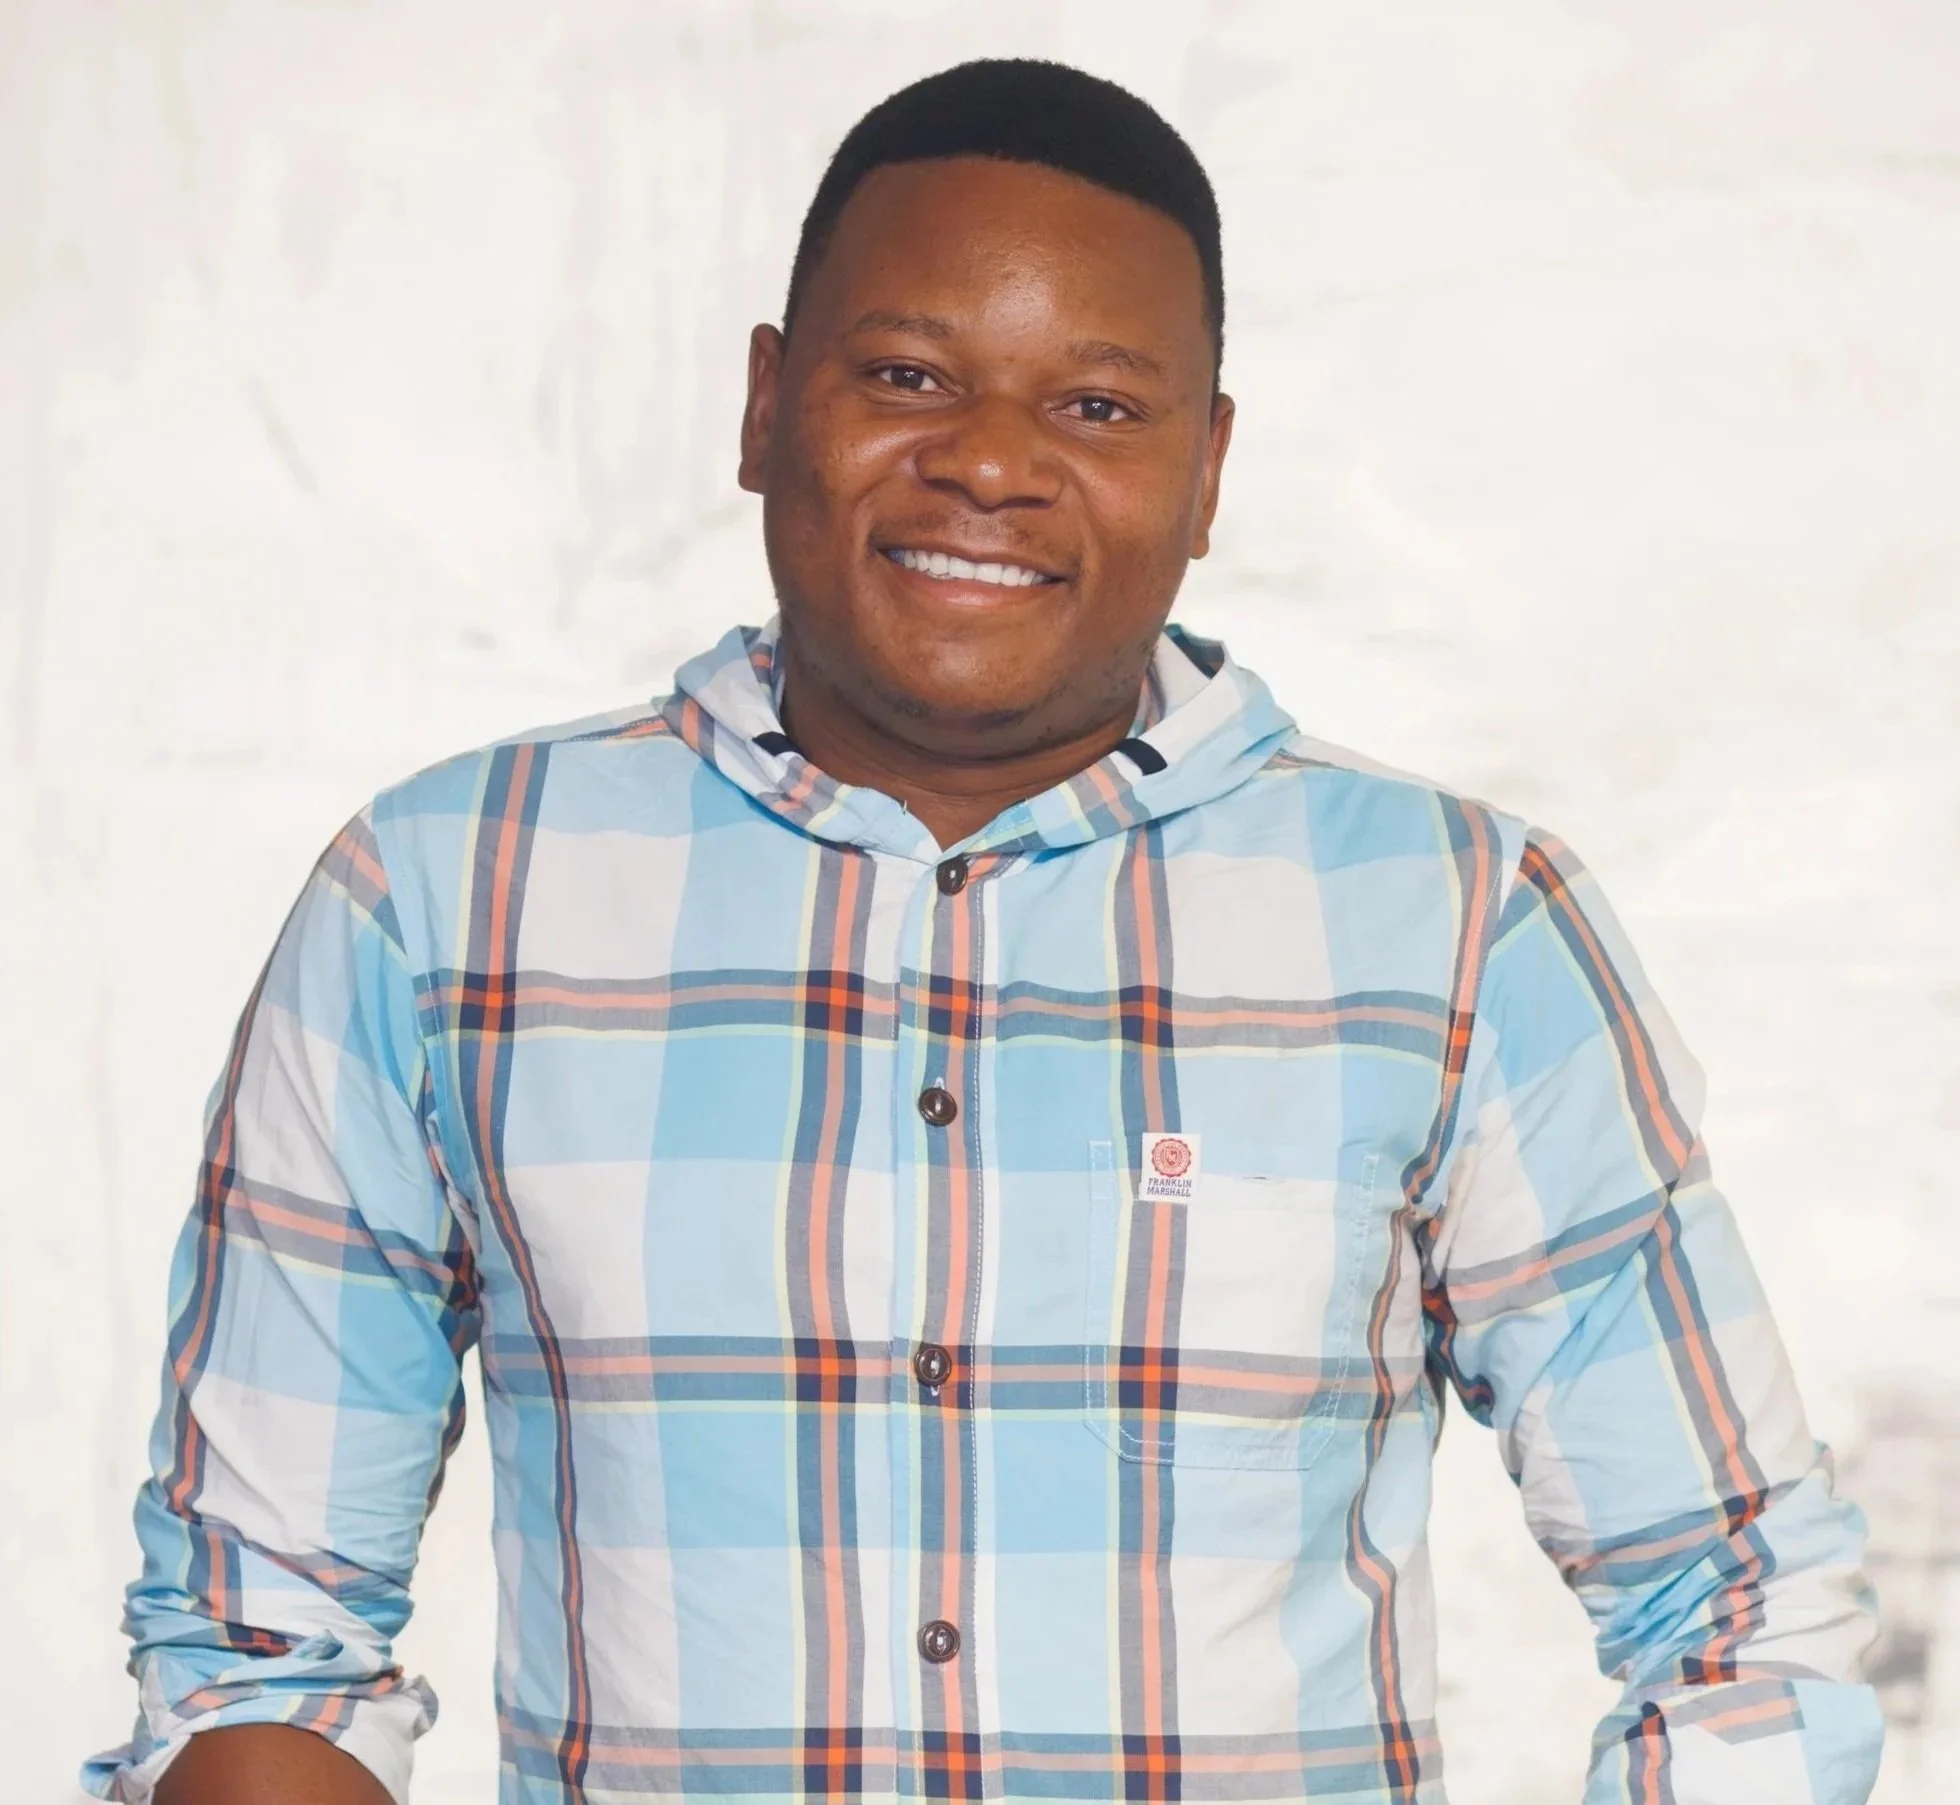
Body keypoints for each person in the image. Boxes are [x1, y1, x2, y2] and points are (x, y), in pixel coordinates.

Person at [88, 57, 1882, 1805]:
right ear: (767, 405)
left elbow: (1735, 1599)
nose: (991, 466)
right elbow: (262, 1652)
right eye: (908, 373)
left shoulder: (1463, 923)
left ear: (1207, 471)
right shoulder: (443, 900)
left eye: (1097, 407)